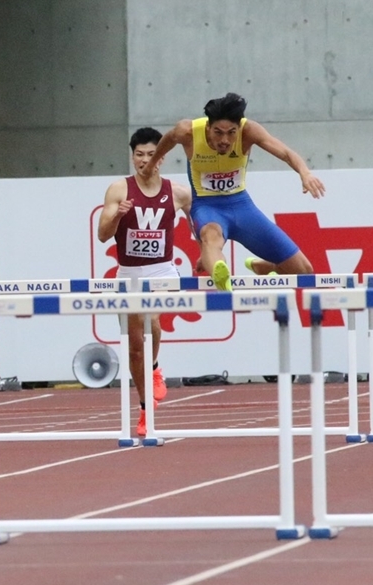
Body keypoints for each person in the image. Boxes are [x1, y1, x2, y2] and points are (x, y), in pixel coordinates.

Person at [142, 92, 325, 291]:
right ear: (208, 127)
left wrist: (305, 173)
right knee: (211, 237)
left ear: (239, 129)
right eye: (218, 132)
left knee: (305, 272)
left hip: (242, 207)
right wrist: (152, 163)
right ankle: (220, 274)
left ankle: (266, 267)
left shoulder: (249, 131)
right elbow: (168, 139)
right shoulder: (188, 131)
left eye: (231, 132)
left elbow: (286, 153)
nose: (225, 140)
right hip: (207, 207)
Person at [98, 127, 192, 436]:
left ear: (161, 158)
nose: (144, 161)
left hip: (162, 271)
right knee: (135, 349)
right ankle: (144, 405)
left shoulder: (177, 192)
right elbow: (102, 235)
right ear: (132, 156)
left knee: (152, 320)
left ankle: (153, 370)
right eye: (138, 155)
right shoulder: (118, 190)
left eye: (151, 155)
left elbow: (201, 222)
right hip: (129, 273)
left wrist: (209, 251)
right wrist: (117, 217)